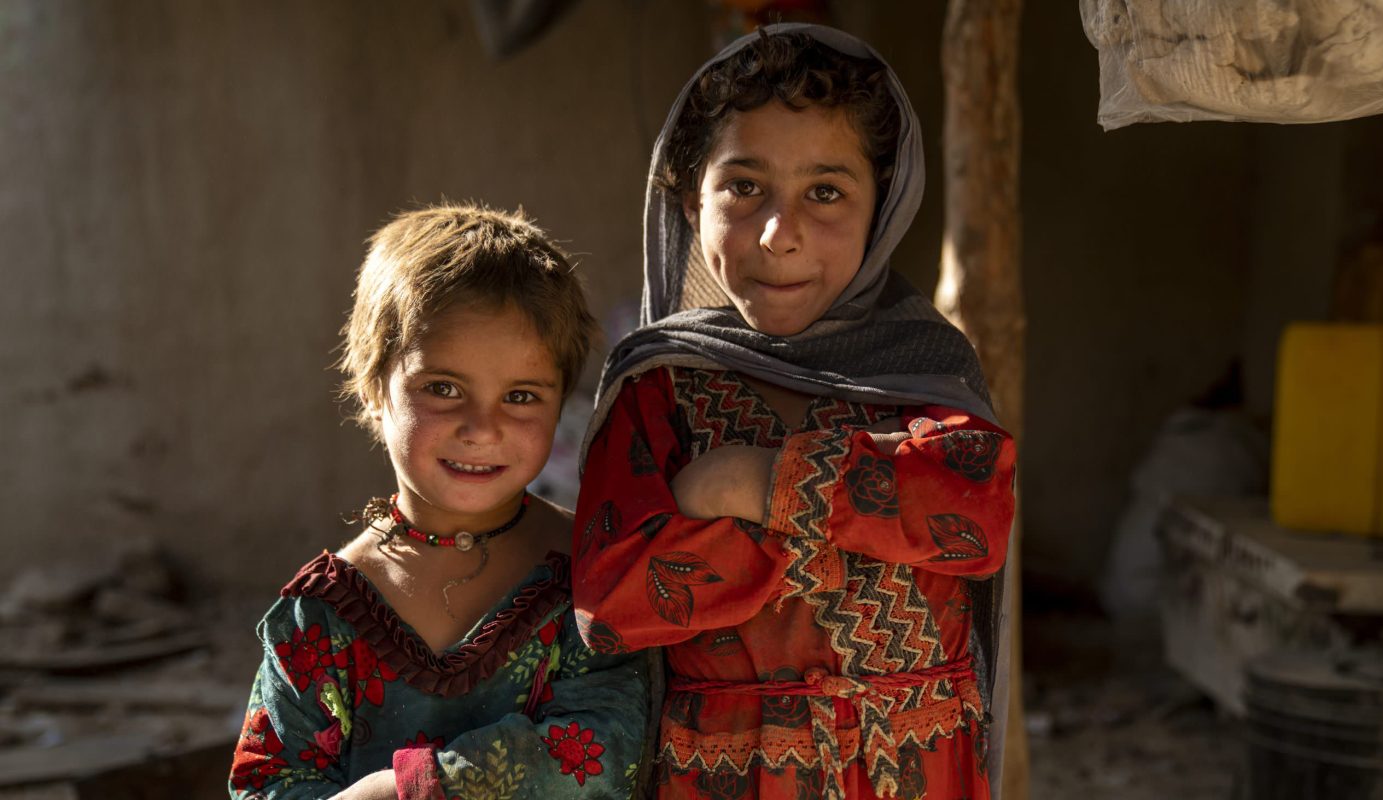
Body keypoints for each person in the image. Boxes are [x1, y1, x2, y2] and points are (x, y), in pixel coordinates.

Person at [571, 25, 1017, 800]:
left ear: (882, 204)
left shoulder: (927, 372)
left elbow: (975, 517)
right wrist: (856, 520)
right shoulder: (659, 386)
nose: (781, 235)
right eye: (744, 188)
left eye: (826, 191)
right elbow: (611, 604)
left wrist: (756, 483)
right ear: (688, 197)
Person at [229, 203, 647, 799]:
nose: (482, 427)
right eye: (443, 388)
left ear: (561, 405)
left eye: (522, 396)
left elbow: (601, 755)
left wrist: (397, 793)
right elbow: (266, 782)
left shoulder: (594, 580)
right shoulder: (321, 618)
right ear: (375, 389)